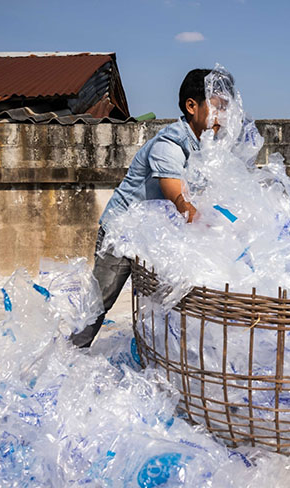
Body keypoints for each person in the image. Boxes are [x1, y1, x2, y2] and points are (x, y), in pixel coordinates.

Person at [71, 68, 232, 348]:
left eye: (227, 109)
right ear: (191, 106)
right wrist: (207, 226)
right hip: (123, 232)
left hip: (154, 236)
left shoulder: (205, 150)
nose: (223, 117)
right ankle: (71, 352)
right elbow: (178, 198)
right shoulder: (169, 144)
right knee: (101, 301)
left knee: (164, 300)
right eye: (217, 108)